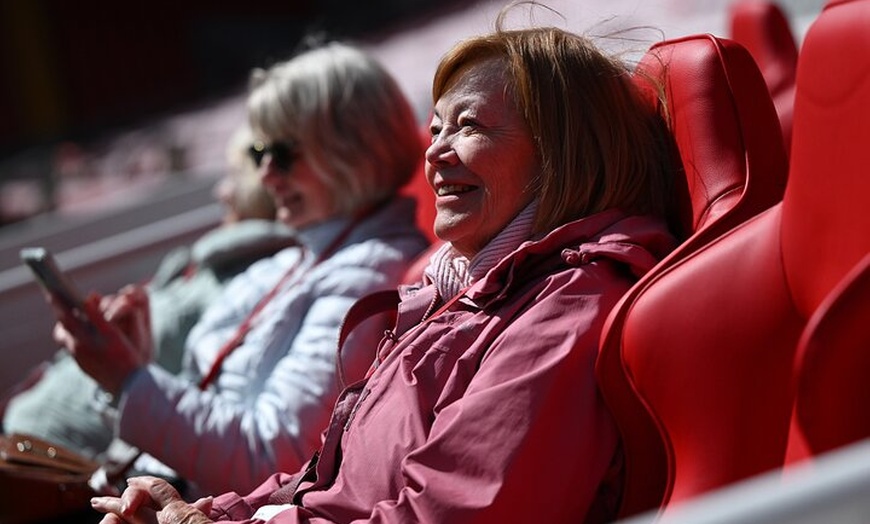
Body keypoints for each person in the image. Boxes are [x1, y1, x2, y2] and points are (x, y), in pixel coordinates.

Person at [90, 19, 680, 524]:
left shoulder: (565, 306)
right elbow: (330, 482)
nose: (434, 151)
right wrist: (214, 512)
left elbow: (449, 513)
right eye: (436, 128)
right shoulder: (460, 290)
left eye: (468, 125)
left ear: (561, 152)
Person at [46, 40, 429, 498]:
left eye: (283, 153)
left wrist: (127, 378)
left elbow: (271, 459)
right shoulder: (297, 259)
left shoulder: (368, 275)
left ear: (355, 149)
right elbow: (214, 404)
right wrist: (134, 359)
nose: (266, 175)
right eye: (259, 153)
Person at [2, 122, 295, 460]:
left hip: (58, 455)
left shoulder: (250, 282)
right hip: (33, 430)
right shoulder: (203, 262)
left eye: (233, 175)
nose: (222, 191)